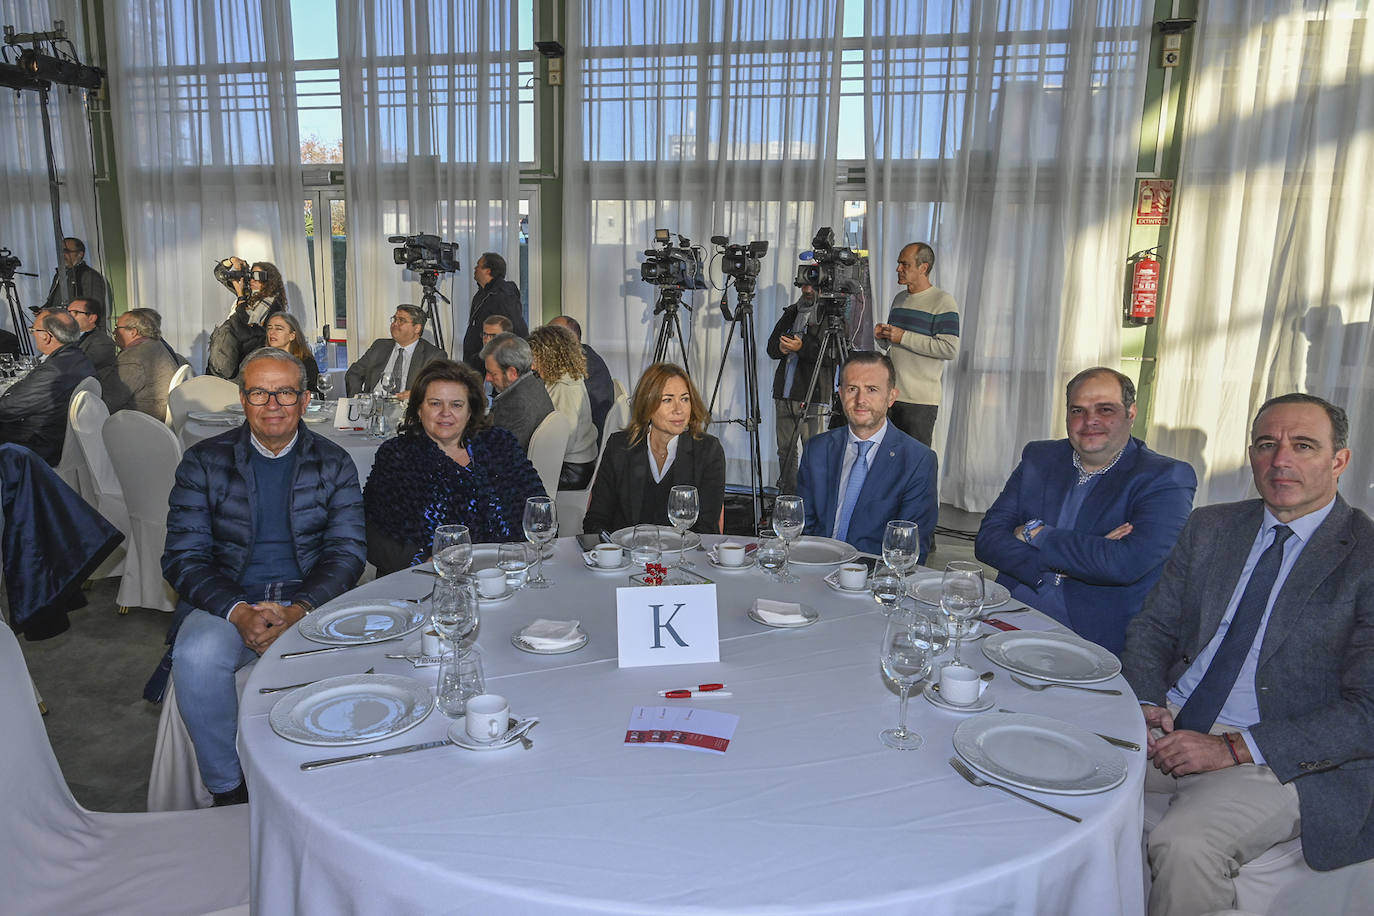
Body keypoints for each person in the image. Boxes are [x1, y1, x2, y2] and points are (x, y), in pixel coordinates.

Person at [1121, 393, 1374, 916]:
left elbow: (1367, 710)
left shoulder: (1365, 558)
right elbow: (1153, 628)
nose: (1280, 460)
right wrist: (1146, 702)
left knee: (1185, 846)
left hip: (1279, 755)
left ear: (1339, 461)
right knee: (1055, 778)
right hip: (1171, 723)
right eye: (1266, 444)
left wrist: (1235, 748)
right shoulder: (1213, 527)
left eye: (1303, 446)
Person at [160, 348, 366, 806]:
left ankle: (329, 793)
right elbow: (182, 557)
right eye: (259, 392)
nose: (272, 404)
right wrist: (237, 612)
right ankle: (228, 790)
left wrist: (299, 610)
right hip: (225, 601)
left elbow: (347, 552)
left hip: (310, 600)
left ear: (305, 398)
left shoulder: (334, 462)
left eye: (285, 393)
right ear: (242, 398)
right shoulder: (203, 462)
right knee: (195, 655)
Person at [974, 367, 1197, 654]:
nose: (1090, 420)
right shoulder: (1040, 457)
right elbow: (987, 541)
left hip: (1091, 637)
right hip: (1010, 616)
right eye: (1078, 410)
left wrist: (1034, 533)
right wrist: (1082, 555)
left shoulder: (1165, 478)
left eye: (1105, 409)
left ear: (1131, 413)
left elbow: (1123, 564)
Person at [363, 360, 546, 576]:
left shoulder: (500, 444)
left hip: (504, 574)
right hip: (426, 579)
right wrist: (421, 561)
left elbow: (538, 510)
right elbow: (369, 530)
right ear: (419, 409)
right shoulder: (397, 455)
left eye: (456, 405)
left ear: (470, 411)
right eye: (435, 404)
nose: (445, 413)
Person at [796, 350, 937, 562]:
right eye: (853, 389)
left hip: (874, 581)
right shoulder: (817, 449)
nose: (860, 400)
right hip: (817, 569)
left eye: (872, 389)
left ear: (891, 397)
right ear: (841, 394)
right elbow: (803, 527)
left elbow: (909, 549)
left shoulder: (918, 460)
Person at [582, 362, 725, 536]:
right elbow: (596, 519)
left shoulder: (708, 451)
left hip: (683, 557)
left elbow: (707, 528)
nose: (679, 409)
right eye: (667, 400)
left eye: (685, 399)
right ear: (647, 405)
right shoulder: (619, 447)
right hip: (628, 557)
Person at [872, 242, 958, 446]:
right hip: (891, 397)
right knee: (888, 463)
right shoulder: (899, 299)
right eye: (898, 264)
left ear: (923, 267)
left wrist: (902, 336)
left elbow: (949, 348)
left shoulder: (943, 301)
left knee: (915, 465)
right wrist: (882, 337)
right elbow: (895, 347)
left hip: (919, 403)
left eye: (905, 264)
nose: (898, 269)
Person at [766, 284, 838, 495]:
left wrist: (802, 347)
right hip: (784, 394)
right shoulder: (792, 311)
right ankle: (788, 500)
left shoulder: (830, 314)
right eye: (803, 284)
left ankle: (813, 501)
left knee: (813, 454)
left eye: (812, 285)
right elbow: (771, 347)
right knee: (785, 452)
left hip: (812, 395)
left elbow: (832, 356)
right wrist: (781, 348)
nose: (807, 289)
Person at [0, 309, 94, 465]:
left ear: (46, 336)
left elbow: (8, 409)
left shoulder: (54, 370)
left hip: (38, 445)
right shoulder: (78, 358)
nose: (33, 334)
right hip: (58, 437)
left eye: (33, 330)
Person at [528, 325, 599, 489]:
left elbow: (564, 440)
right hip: (577, 462)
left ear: (550, 357)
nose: (532, 366)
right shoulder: (566, 378)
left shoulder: (564, 388)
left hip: (572, 470)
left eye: (535, 359)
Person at [205, 259, 286, 379]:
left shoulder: (272, 302)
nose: (252, 279)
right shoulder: (250, 294)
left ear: (269, 280)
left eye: (258, 276)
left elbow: (246, 322)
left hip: (243, 362)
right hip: (227, 352)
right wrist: (232, 261)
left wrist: (240, 296)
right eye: (251, 275)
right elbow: (220, 274)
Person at [345, 305, 446, 399]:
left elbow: (437, 388)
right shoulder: (379, 346)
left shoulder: (433, 355)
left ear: (417, 328)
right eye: (394, 319)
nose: (394, 324)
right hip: (375, 405)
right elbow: (354, 373)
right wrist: (358, 399)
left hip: (407, 408)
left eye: (401, 320)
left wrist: (416, 395)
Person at [480, 331, 554, 450]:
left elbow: (498, 454)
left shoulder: (514, 404)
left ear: (512, 373)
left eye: (492, 373)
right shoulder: (535, 382)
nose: (487, 379)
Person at [102, 308, 179, 419]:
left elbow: (108, 401)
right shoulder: (155, 344)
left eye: (117, 328)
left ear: (133, 332)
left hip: (141, 422)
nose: (114, 332)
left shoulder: (132, 358)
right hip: (160, 415)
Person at [549, 314, 614, 439]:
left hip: (588, 439)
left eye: (550, 336)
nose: (545, 341)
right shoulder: (583, 353)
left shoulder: (583, 365)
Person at [462, 252, 527, 370]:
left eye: (478, 265)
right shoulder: (482, 293)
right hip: (479, 360)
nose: (475, 268)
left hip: (494, 360)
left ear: (488, 271)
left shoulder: (503, 294)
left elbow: (515, 328)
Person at [43, 237, 109, 312]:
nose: (62, 255)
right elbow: (53, 301)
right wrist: (44, 310)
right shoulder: (59, 275)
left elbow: (93, 307)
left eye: (66, 251)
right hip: (60, 321)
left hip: (77, 322)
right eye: (60, 251)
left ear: (80, 254)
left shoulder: (90, 276)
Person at [262, 312, 321, 394]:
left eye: (278, 329)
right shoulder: (261, 361)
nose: (272, 332)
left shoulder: (306, 362)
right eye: (269, 328)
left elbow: (316, 395)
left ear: (292, 336)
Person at [66, 297, 116, 375]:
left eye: (75, 313)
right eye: (68, 313)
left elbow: (78, 367)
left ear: (91, 318)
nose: (69, 318)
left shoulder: (103, 343)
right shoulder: (63, 338)